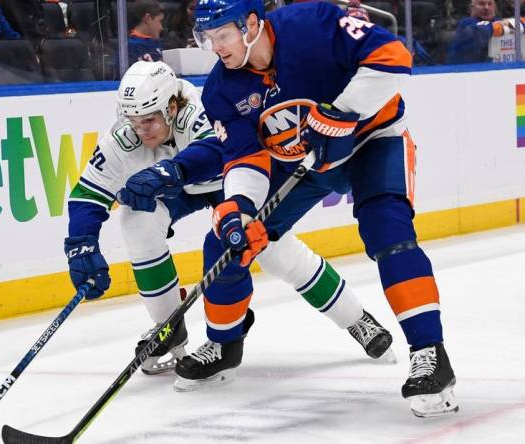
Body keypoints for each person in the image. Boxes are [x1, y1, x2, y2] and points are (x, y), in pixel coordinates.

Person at [160, 0, 458, 418]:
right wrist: (240, 209)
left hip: (374, 141)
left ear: (250, 24)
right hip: (301, 162)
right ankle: (224, 343)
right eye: (206, 38)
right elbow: (245, 158)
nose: (215, 48)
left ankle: (430, 354)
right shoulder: (221, 88)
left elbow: (393, 57)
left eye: (221, 35)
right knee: (228, 244)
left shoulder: (314, 22)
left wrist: (344, 113)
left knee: (388, 234)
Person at [66, 60, 393, 377]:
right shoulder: (127, 133)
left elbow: (214, 151)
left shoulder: (199, 110)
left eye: (149, 120)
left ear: (172, 107)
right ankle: (168, 327)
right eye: (133, 121)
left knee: (273, 251)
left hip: (235, 182)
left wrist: (167, 172)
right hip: (181, 186)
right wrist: (82, 245)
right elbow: (88, 192)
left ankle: (355, 318)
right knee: (137, 220)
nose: (140, 130)